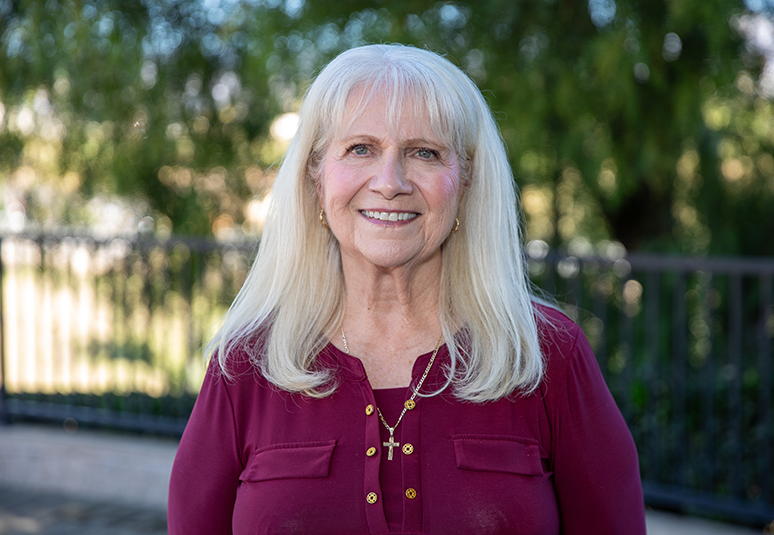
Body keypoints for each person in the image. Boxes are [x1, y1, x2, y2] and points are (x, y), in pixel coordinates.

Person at [168, 43, 646, 534]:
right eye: (360, 149)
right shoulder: (246, 366)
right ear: (315, 178)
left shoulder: (546, 356)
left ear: (466, 183)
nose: (390, 181)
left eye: (424, 153)